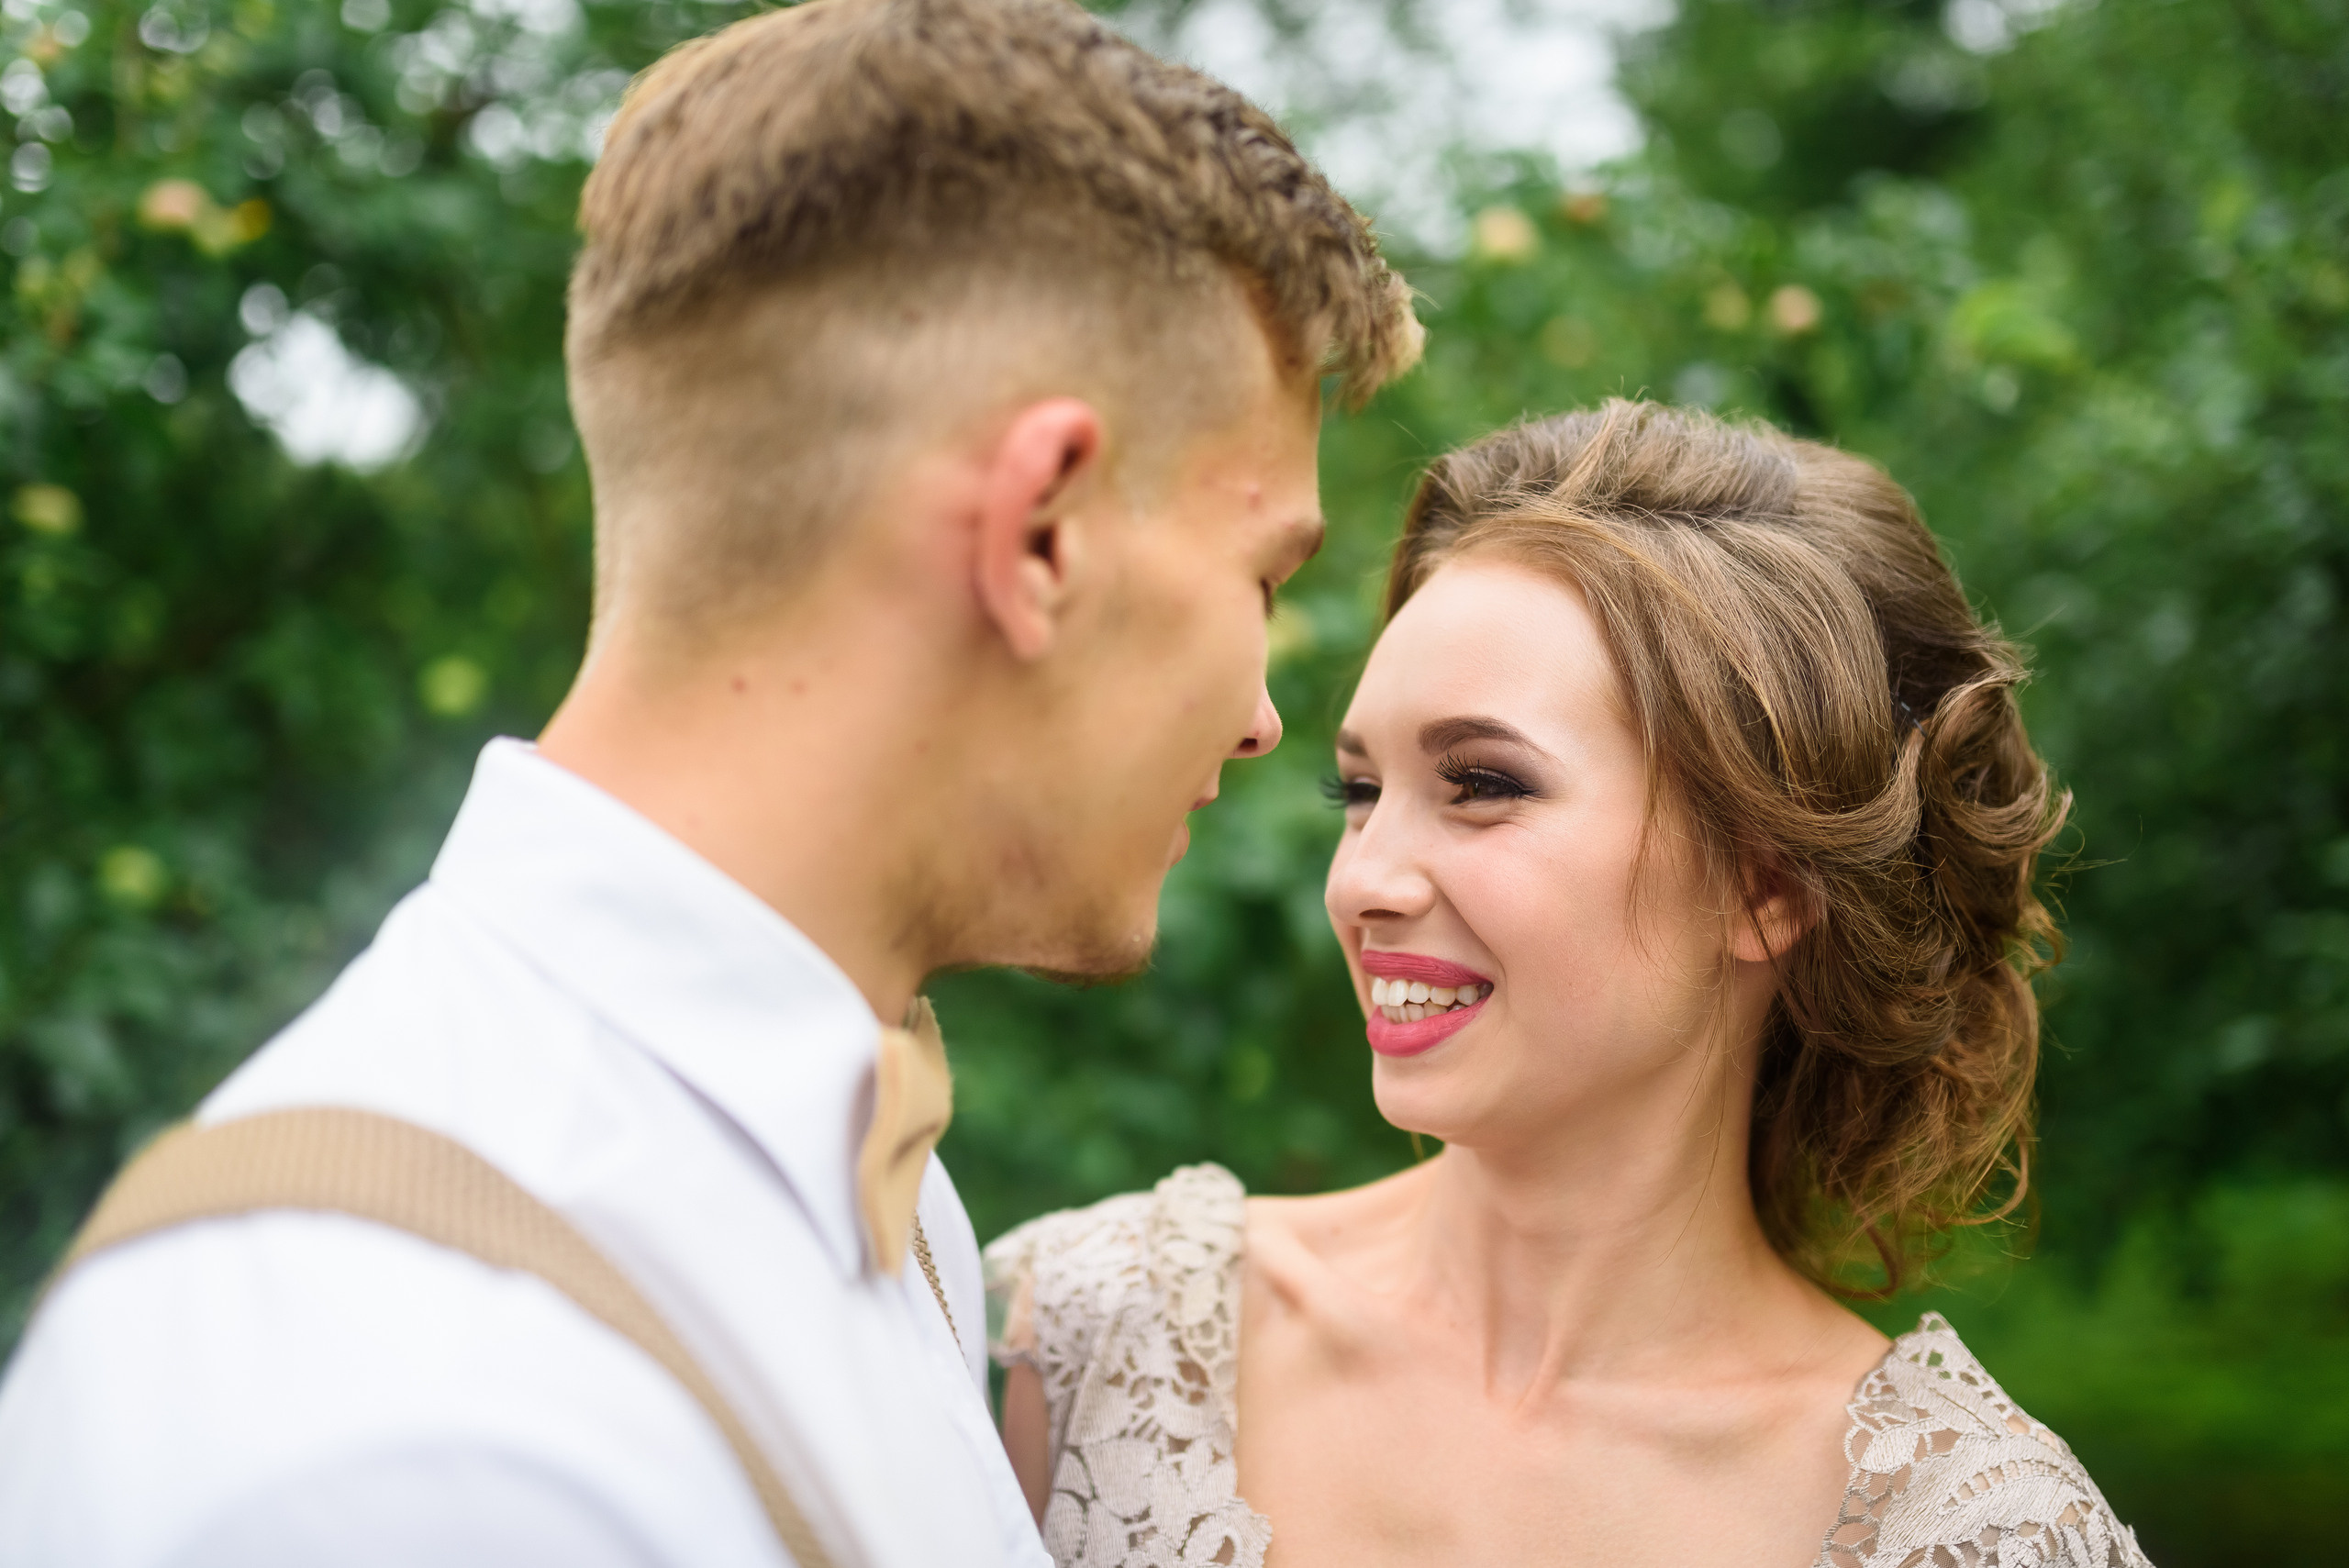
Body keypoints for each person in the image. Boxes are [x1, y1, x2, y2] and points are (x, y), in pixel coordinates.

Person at [0, 1, 1420, 1563]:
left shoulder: (878, 1186)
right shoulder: (414, 1426)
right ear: (1040, 535)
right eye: (1264, 577)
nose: (1261, 719)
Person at [986, 400, 2154, 1568]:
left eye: (1483, 782)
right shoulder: (1102, 1337)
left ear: (1768, 885)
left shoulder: (1975, 1531)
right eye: (1359, 791)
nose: (1362, 881)